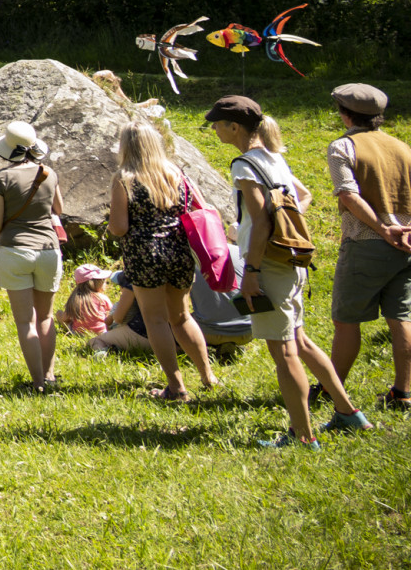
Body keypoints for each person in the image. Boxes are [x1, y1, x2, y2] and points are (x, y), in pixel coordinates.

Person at [210, 97, 371, 444]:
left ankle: (303, 436)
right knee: (300, 341)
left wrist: (251, 271)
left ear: (235, 127)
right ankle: (349, 414)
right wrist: (290, 226)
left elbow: (264, 222)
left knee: (283, 351)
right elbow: (302, 194)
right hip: (292, 262)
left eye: (218, 123)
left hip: (269, 265)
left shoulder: (244, 165)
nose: (214, 129)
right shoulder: (274, 158)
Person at [106, 119, 216, 402]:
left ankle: (176, 387)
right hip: (179, 251)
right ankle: (207, 375)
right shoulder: (176, 173)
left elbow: (119, 227)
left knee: (156, 320)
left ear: (125, 147)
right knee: (181, 316)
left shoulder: (125, 178)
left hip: (145, 255)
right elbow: (202, 208)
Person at [323, 83, 411, 411]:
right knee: (401, 317)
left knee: (347, 321)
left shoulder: (344, 146)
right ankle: (403, 393)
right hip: (406, 245)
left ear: (345, 115)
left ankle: (333, 389)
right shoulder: (402, 147)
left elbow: (347, 193)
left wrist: (384, 228)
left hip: (367, 243)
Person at [0, 121, 65, 391]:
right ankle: (50, 376)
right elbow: (59, 208)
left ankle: (37, 382)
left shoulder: (2, 178)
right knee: (46, 317)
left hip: (15, 249)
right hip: (48, 249)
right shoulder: (49, 173)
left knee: (25, 321)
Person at [60, 265, 114, 336]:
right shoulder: (103, 298)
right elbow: (111, 314)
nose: (106, 284)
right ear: (94, 283)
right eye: (103, 280)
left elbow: (65, 318)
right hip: (101, 333)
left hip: (78, 333)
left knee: (59, 313)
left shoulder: (75, 298)